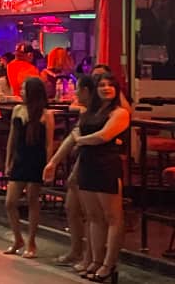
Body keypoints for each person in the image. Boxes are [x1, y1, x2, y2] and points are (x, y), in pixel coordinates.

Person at [74, 73, 130, 282]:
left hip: (107, 165)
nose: (106, 88)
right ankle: (96, 260)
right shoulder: (90, 112)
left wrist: (80, 140)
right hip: (88, 164)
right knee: (93, 216)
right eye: (102, 85)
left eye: (110, 85)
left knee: (113, 217)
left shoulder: (120, 112)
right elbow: (77, 131)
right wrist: (80, 140)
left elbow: (104, 136)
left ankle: (109, 263)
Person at [44, 74, 97, 269]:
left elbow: (81, 139)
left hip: (95, 165)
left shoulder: (105, 113)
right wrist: (54, 161)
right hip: (81, 163)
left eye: (78, 89)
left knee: (93, 215)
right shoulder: (87, 113)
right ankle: (77, 250)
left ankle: (92, 258)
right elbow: (72, 138)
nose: (74, 93)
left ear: (86, 91)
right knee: (71, 207)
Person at [3, 77, 55, 258]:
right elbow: (12, 138)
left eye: (25, 89)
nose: (21, 92)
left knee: (33, 200)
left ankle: (31, 241)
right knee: (10, 202)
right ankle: (18, 238)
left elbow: (49, 143)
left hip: (36, 158)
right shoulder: (17, 110)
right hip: (20, 157)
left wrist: (49, 165)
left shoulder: (46, 114)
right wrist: (8, 160)